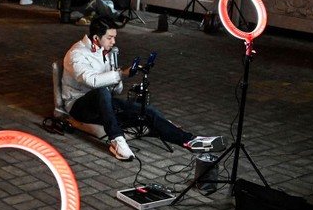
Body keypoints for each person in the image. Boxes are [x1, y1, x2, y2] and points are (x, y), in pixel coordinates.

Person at [62, 15, 216, 161]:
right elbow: (92, 81)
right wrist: (120, 74)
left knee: (146, 111)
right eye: (109, 38)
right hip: (79, 105)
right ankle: (117, 141)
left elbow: (115, 91)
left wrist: (119, 77)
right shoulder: (77, 54)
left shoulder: (106, 52)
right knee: (101, 92)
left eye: (114, 37)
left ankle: (190, 140)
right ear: (96, 38)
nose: (113, 42)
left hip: (103, 103)